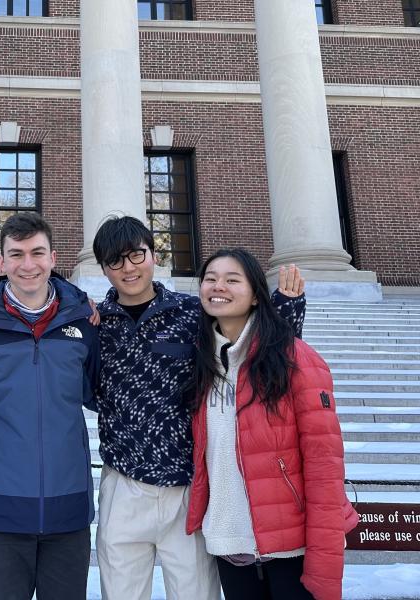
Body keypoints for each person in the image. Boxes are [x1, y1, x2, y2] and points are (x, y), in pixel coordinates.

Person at [91, 215, 306, 600]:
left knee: (196, 594)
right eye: (115, 261)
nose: (128, 268)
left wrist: (287, 310)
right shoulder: (95, 325)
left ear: (152, 254)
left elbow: (254, 352)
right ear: (104, 268)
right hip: (123, 483)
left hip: (189, 485)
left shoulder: (194, 314)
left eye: (136, 255)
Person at [186, 248, 358, 600]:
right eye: (210, 279)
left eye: (233, 280)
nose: (219, 287)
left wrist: (325, 556)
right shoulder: (200, 363)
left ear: (254, 296)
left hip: (291, 548)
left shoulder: (297, 359)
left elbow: (324, 465)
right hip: (229, 544)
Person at [0, 212, 101, 600]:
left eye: (37, 253)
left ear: (54, 258)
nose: (28, 265)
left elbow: (97, 392)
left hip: (68, 507)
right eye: (16, 254)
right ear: (0, 262)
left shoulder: (85, 324)